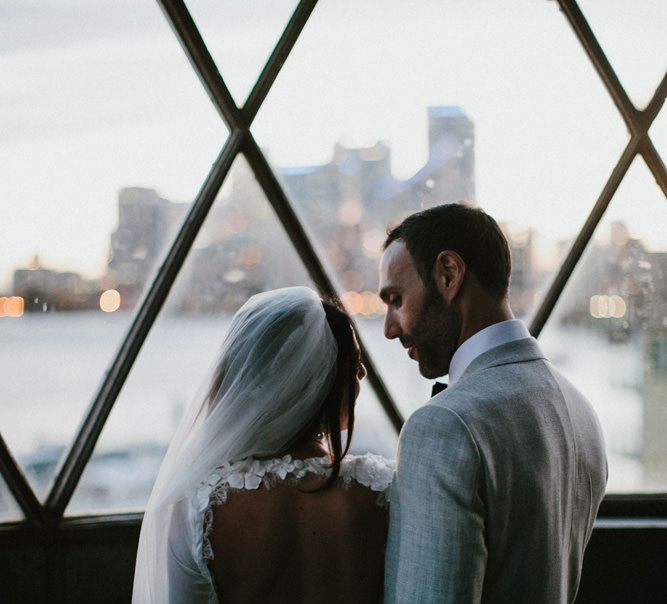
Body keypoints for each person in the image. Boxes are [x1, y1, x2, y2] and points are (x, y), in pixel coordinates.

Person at [379, 203, 607, 603]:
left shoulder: (444, 426)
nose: (388, 328)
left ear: (449, 274)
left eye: (396, 299)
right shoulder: (581, 410)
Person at [132, 286, 394, 603]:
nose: (363, 373)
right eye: (353, 362)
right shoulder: (383, 490)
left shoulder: (197, 501)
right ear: (313, 377)